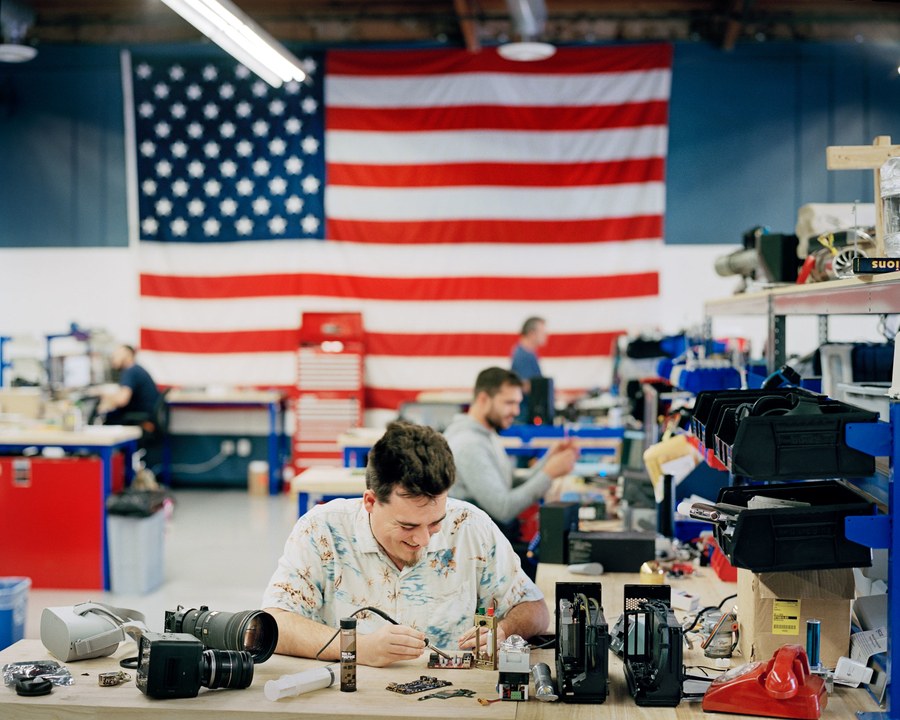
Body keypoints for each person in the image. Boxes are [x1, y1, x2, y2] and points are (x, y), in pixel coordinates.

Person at [262, 421, 549, 668]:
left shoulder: (470, 526)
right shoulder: (321, 530)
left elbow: (535, 609)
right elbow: (275, 624)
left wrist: (505, 629)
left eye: (435, 522)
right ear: (371, 502)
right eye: (407, 526)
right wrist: (357, 647)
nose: (424, 540)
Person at [443, 367, 578, 543]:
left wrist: (549, 459)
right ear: (483, 399)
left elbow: (508, 482)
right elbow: (504, 509)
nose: (516, 411)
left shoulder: (487, 434)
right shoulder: (469, 445)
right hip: (479, 549)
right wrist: (549, 474)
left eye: (517, 403)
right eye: (509, 403)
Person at [98, 344, 161, 426]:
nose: (113, 359)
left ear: (127, 355)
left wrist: (106, 398)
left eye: (116, 355)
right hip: (147, 416)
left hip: (140, 419)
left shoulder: (130, 371)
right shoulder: (136, 369)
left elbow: (122, 400)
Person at [510, 316, 547, 394]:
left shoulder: (530, 353)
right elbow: (525, 386)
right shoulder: (522, 356)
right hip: (527, 405)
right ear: (532, 333)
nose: (546, 335)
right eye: (542, 332)